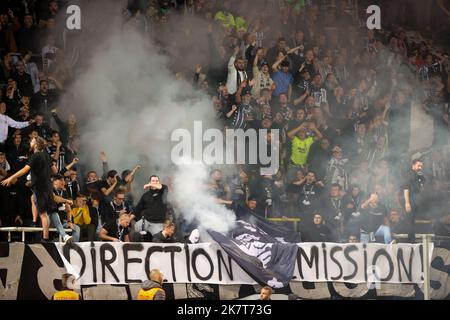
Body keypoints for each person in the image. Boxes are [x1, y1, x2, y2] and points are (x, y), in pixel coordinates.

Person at [1, 136, 66, 242]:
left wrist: (12, 177)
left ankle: (45, 238)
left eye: (31, 141)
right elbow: (55, 170)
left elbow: (25, 169)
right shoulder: (47, 155)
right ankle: (62, 235)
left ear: (36, 144)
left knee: (43, 214)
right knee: (50, 211)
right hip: (49, 187)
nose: (30, 142)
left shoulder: (35, 156)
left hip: (40, 187)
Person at [402, 159, 426, 243]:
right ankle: (410, 240)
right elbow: (406, 189)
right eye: (418, 165)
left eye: (421, 166)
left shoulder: (420, 175)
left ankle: (413, 238)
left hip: (416, 200)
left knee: (413, 220)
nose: (420, 167)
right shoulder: (409, 175)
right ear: (413, 166)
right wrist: (407, 203)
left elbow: (422, 187)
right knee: (410, 220)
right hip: (409, 199)